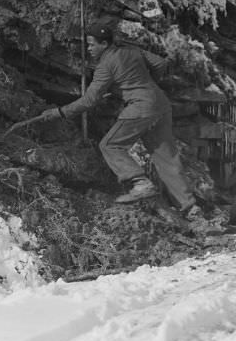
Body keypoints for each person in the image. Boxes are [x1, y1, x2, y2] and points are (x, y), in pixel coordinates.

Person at [38, 20, 202, 221]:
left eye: (92, 44)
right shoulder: (132, 50)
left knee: (109, 145)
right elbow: (160, 64)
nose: (89, 48)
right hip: (160, 104)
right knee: (165, 157)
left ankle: (139, 182)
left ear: (104, 44)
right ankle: (191, 208)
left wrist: (59, 112)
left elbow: (89, 100)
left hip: (141, 107)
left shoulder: (105, 65)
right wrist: (142, 82)